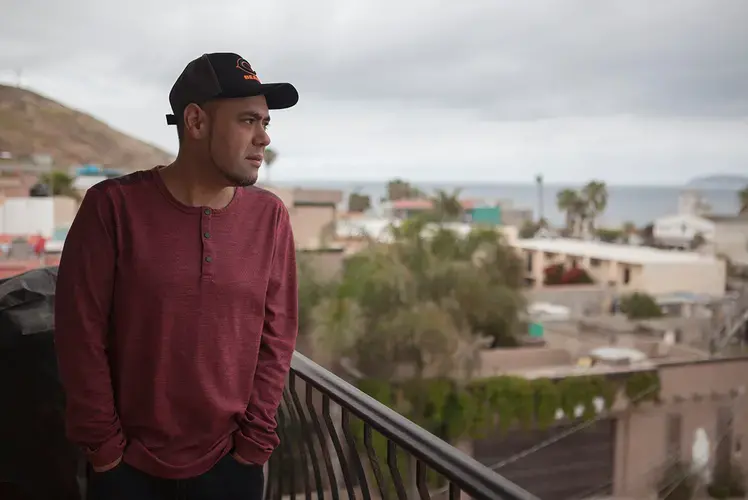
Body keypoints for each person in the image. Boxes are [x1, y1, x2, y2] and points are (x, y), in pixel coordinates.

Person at [54, 52, 300, 500]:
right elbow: (79, 334)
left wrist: (255, 443)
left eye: (266, 123)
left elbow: (277, 335)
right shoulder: (112, 207)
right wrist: (105, 451)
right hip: (127, 470)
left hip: (233, 467)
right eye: (248, 121)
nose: (263, 138)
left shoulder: (271, 217)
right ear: (196, 121)